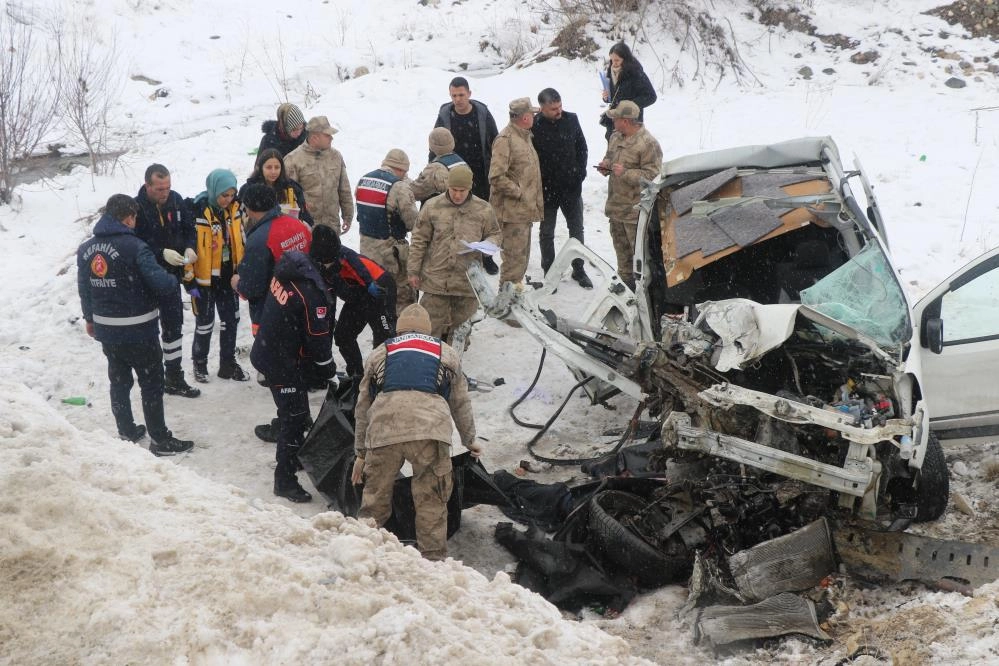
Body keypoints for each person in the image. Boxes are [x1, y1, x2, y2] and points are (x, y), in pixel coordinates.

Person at [351, 303, 480, 561]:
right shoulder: (447, 353)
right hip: (430, 431)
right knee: (431, 500)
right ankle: (433, 561)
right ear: (428, 329)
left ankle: (361, 555)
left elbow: (363, 406)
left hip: (385, 429)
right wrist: (470, 440)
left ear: (399, 330)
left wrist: (361, 454)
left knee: (375, 500)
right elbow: (460, 401)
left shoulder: (379, 353)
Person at [77, 194, 195, 456]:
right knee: (151, 383)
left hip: (107, 330)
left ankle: (126, 429)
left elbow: (84, 288)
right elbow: (162, 285)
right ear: (129, 217)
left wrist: (89, 318)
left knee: (119, 380)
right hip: (138, 329)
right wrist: (174, 277)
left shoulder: (86, 249)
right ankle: (160, 439)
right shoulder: (136, 247)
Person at [250, 249, 335, 503]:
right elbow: (319, 343)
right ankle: (284, 480)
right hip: (280, 363)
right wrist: (328, 370)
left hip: (267, 350)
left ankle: (293, 453)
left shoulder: (288, 272)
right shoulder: (311, 295)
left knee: (292, 409)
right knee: (296, 417)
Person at [408, 164, 501, 346]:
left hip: (467, 282)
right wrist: (413, 271)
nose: (458, 195)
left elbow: (495, 233)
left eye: (462, 190)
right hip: (436, 280)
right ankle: (428, 367)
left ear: (470, 188)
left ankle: (452, 368)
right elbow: (419, 240)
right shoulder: (432, 206)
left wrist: (489, 244)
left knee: (460, 334)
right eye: (454, 189)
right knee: (427, 330)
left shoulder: (484, 209)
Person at [134, 163, 200, 398]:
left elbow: (189, 227)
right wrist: (159, 251)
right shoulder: (137, 208)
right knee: (149, 330)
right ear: (147, 185)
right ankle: (151, 378)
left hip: (172, 277)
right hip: (148, 278)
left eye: (167, 187)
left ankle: (174, 376)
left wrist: (191, 247)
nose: (165, 193)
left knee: (174, 326)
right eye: (159, 189)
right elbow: (135, 243)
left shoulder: (176, 200)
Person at [432, 76, 500, 275]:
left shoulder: (482, 113)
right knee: (456, 216)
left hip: (480, 173)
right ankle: (457, 255)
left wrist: (495, 172)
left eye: (461, 95)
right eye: (454, 95)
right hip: (454, 175)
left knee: (483, 216)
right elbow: (436, 143)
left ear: (469, 94)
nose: (458, 99)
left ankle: (486, 257)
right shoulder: (445, 115)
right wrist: (433, 169)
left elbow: (494, 143)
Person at [312, 225, 397, 379]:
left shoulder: (344, 255)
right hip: (357, 296)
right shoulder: (318, 262)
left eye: (328, 262)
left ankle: (383, 378)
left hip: (379, 288)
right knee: (343, 336)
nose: (326, 266)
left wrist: (369, 282)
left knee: (384, 337)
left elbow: (359, 267)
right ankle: (356, 374)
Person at [188, 168, 249, 383]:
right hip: (204, 279)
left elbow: (243, 239)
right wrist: (189, 280)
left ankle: (228, 363)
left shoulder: (236, 210)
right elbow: (189, 247)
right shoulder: (198, 211)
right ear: (214, 191)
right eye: (224, 195)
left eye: (232, 195)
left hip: (229, 276)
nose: (228, 199)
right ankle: (199, 363)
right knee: (205, 323)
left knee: (230, 320)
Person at [596, 101, 663, 291]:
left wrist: (625, 172)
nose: (612, 122)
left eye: (615, 119)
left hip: (636, 215)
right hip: (616, 210)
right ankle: (626, 292)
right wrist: (606, 165)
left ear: (625, 121)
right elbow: (610, 156)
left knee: (640, 262)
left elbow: (653, 177)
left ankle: (644, 298)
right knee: (623, 260)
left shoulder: (648, 144)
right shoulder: (616, 137)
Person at [532, 88, 592, 289]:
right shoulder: (534, 125)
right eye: (553, 109)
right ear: (542, 108)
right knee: (546, 232)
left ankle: (579, 269)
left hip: (571, 188)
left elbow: (582, 147)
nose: (558, 111)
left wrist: (580, 173)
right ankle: (549, 272)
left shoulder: (571, 119)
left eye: (560, 107)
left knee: (576, 230)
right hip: (547, 190)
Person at [355, 148, 419, 313]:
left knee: (376, 290)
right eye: (404, 172)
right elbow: (413, 223)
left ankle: (379, 322)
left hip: (367, 250)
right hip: (391, 253)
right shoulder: (399, 187)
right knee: (402, 295)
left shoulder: (364, 180)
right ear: (401, 169)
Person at [489, 97, 543, 287]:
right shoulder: (506, 140)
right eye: (532, 114)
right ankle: (507, 305)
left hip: (523, 212)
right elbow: (496, 177)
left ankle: (514, 299)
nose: (534, 117)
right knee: (513, 263)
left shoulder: (525, 137)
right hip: (511, 214)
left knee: (521, 262)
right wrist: (519, 193)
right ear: (525, 117)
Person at [284, 115, 354, 235]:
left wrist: (348, 215)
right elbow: (287, 200)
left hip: (332, 227)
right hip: (307, 229)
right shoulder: (293, 160)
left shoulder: (336, 156)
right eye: (327, 135)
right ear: (315, 137)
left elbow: (344, 189)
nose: (331, 138)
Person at [239, 148, 314, 227]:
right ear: (261, 168)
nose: (273, 172)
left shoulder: (291, 187)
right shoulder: (248, 189)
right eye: (269, 167)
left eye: (277, 167)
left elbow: (304, 215)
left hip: (288, 232)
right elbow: (239, 217)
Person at [599, 42, 657, 141]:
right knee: (613, 153)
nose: (614, 63)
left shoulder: (636, 73)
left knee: (630, 153)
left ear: (625, 60)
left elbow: (651, 96)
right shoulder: (611, 70)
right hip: (614, 124)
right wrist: (606, 97)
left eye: (617, 60)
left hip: (631, 123)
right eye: (612, 60)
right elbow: (615, 96)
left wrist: (630, 105)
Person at [411, 128, 467, 204]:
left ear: (432, 146)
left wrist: (402, 181)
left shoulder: (434, 169)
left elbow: (415, 192)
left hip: (441, 213)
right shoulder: (461, 162)